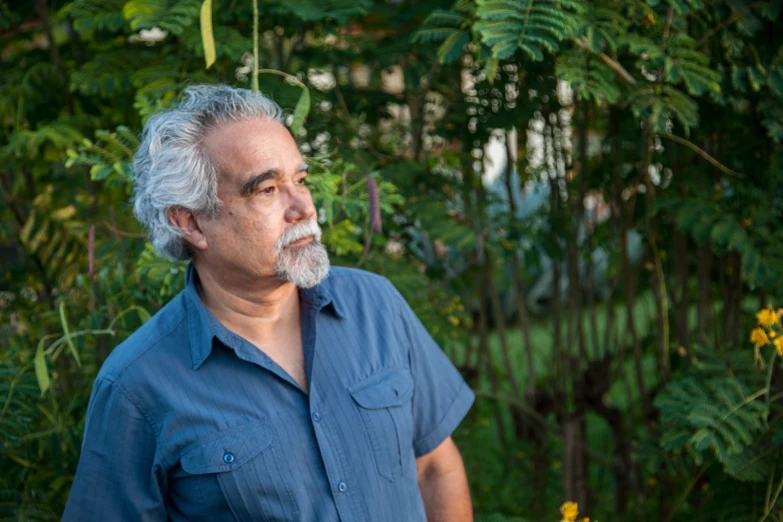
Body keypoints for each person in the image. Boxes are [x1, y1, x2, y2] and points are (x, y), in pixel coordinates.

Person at [61, 84, 475, 522]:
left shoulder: (376, 306)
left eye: (300, 180)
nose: (304, 207)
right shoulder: (135, 387)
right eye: (267, 189)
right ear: (191, 222)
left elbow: (434, 469)